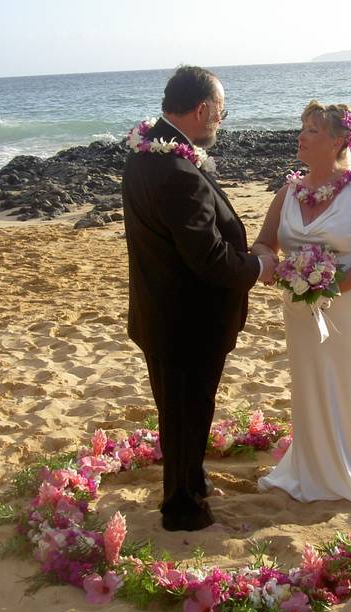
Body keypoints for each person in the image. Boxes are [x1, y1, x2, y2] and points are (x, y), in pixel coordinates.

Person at [122, 65, 277, 531]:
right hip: (186, 322)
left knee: (180, 412)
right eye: (221, 113)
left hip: (159, 311)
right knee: (188, 412)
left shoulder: (143, 156)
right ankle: (183, 509)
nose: (221, 122)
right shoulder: (176, 173)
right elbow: (209, 259)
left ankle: (191, 478)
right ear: (203, 109)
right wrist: (258, 266)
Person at [254, 101, 351, 502]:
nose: (301, 135)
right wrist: (272, 267)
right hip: (300, 310)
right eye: (302, 127)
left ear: (338, 141)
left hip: (350, 310)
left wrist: (331, 286)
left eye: (313, 130)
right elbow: (265, 242)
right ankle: (313, 468)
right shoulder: (288, 190)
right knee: (311, 386)